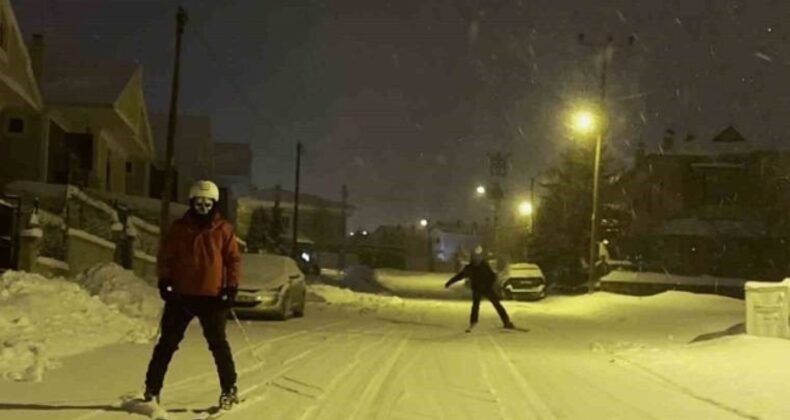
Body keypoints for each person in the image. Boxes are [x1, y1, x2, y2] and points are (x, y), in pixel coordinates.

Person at [143, 180, 242, 410]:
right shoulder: (179, 228)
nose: (203, 207)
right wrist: (165, 280)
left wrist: (231, 287)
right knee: (167, 344)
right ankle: (152, 390)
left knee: (218, 345)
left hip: (213, 298)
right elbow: (166, 256)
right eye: (199, 203)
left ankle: (229, 389)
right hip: (181, 296)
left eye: (208, 203)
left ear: (214, 204)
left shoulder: (223, 230)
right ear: (192, 203)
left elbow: (233, 260)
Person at [445, 246, 515, 332]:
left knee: (497, 304)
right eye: (474, 259)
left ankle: (506, 321)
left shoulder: (484, 265)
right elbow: (460, 276)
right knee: (475, 306)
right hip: (477, 289)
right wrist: (449, 282)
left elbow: (492, 275)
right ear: (473, 259)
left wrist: (490, 285)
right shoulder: (470, 268)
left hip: (487, 288)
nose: (476, 261)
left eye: (477, 259)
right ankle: (473, 322)